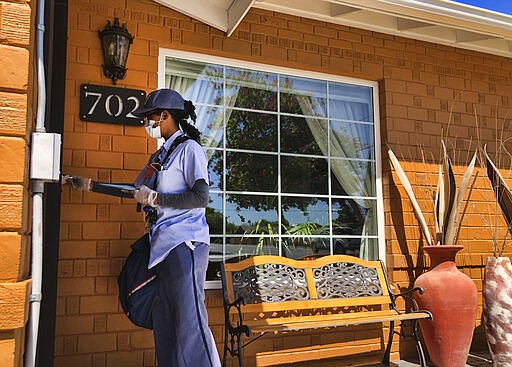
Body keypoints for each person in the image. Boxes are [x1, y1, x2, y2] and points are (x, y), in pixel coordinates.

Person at [66, 89, 221, 367]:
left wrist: (157, 198)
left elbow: (200, 198)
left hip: (185, 244)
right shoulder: (158, 157)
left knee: (189, 322)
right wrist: (91, 185)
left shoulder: (190, 150)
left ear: (165, 115)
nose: (147, 122)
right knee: (165, 323)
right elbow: (135, 191)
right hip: (160, 247)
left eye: (150, 117)